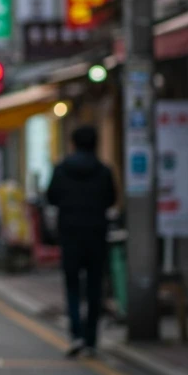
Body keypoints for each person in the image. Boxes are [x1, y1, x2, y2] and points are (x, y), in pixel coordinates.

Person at [46, 125, 118, 357]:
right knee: (96, 286)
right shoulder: (104, 171)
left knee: (73, 285)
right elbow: (111, 199)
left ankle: (76, 333)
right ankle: (91, 340)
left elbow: (51, 197)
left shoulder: (61, 169)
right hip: (97, 234)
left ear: (73, 143)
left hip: (70, 234)